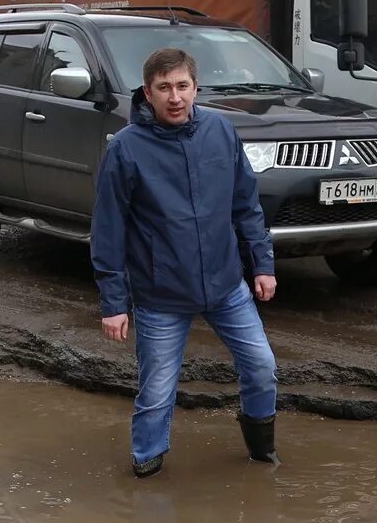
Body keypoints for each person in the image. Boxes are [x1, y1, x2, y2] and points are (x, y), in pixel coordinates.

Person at [91, 46, 280, 478]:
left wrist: (262, 264)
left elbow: (245, 203)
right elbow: (109, 230)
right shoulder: (126, 149)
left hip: (226, 284)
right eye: (164, 88)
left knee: (262, 367)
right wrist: (114, 303)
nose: (174, 97)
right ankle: (147, 461)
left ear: (196, 88)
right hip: (161, 294)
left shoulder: (220, 131)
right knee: (157, 390)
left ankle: (261, 448)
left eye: (182, 86)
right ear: (148, 92)